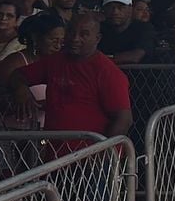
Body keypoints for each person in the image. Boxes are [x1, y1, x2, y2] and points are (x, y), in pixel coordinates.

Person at [9, 13, 131, 144]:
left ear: (97, 38)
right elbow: (18, 75)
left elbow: (123, 119)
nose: (75, 38)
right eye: (71, 32)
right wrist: (21, 91)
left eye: (84, 34)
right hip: (56, 153)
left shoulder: (107, 71)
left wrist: (102, 153)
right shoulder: (55, 61)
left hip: (91, 156)